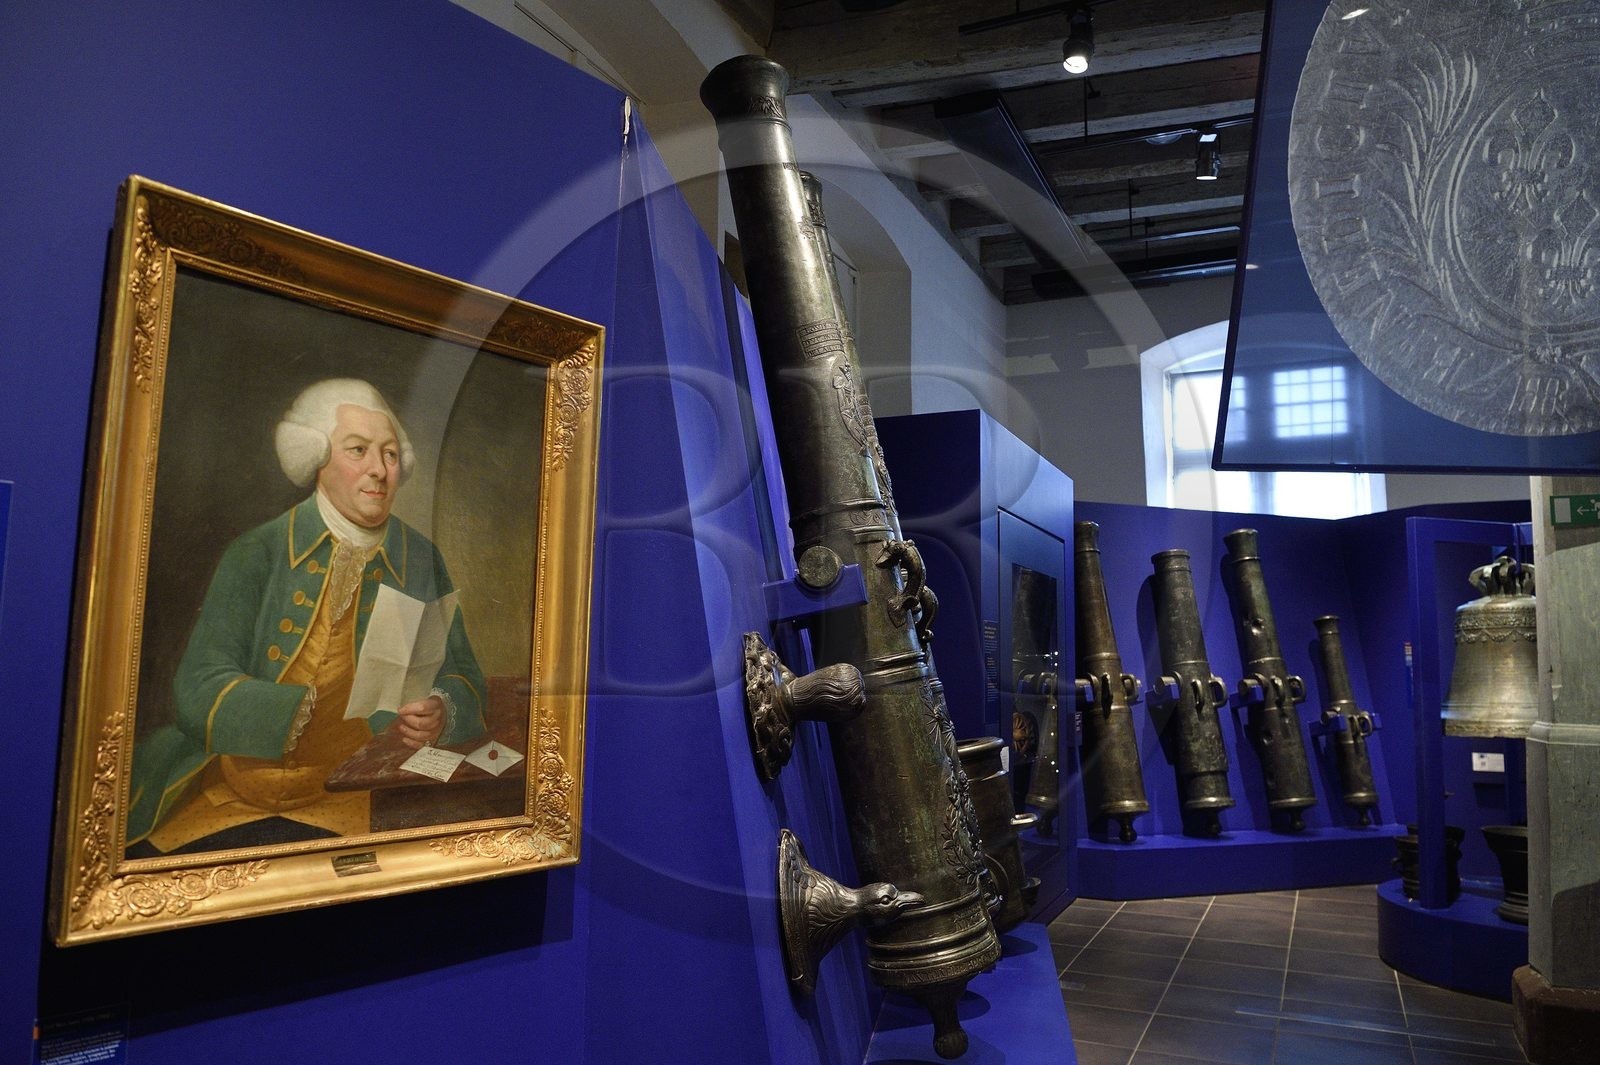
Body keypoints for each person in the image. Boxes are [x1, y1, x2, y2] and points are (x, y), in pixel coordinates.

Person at [127, 379, 486, 855]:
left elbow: (464, 678)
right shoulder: (258, 551)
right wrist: (288, 712)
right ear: (315, 459)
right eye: (358, 450)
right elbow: (196, 689)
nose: (379, 470)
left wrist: (441, 711)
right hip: (229, 792)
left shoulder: (418, 560)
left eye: (391, 455)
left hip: (353, 798)